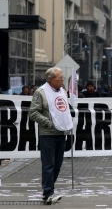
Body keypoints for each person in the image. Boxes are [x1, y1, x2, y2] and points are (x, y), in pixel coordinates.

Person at [29, 67, 73, 205]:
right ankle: (48, 192)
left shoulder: (62, 91)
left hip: (61, 133)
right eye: (60, 77)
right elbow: (33, 113)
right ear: (51, 79)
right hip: (48, 134)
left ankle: (48, 190)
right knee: (49, 165)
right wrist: (48, 123)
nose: (62, 79)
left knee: (57, 165)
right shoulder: (41, 93)